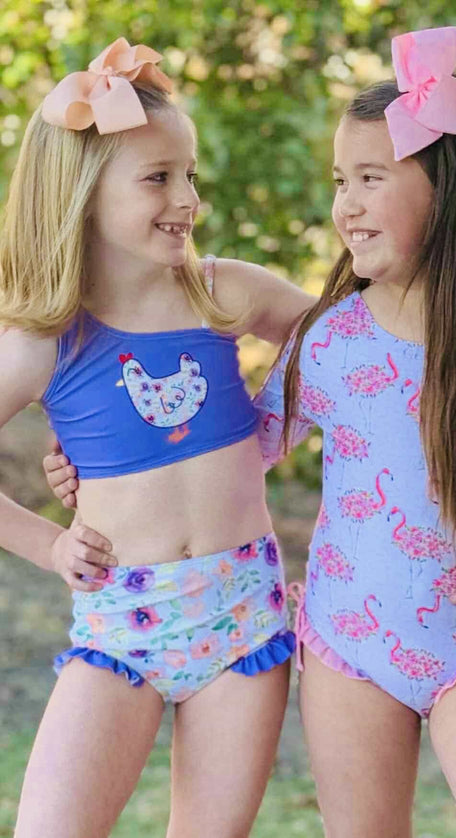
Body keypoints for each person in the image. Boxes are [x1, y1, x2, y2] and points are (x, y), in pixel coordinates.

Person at [42, 29, 456, 838]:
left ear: (452, 189)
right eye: (342, 181)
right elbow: (242, 449)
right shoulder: (331, 340)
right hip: (347, 654)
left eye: (371, 178)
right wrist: (97, 463)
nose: (347, 205)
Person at [1, 39, 313, 838]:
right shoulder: (46, 342)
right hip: (121, 626)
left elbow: (348, 343)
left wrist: (272, 424)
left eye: (190, 175)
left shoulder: (222, 292)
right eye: (158, 178)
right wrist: (47, 545)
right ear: (81, 195)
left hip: (245, 621)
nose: (188, 199)